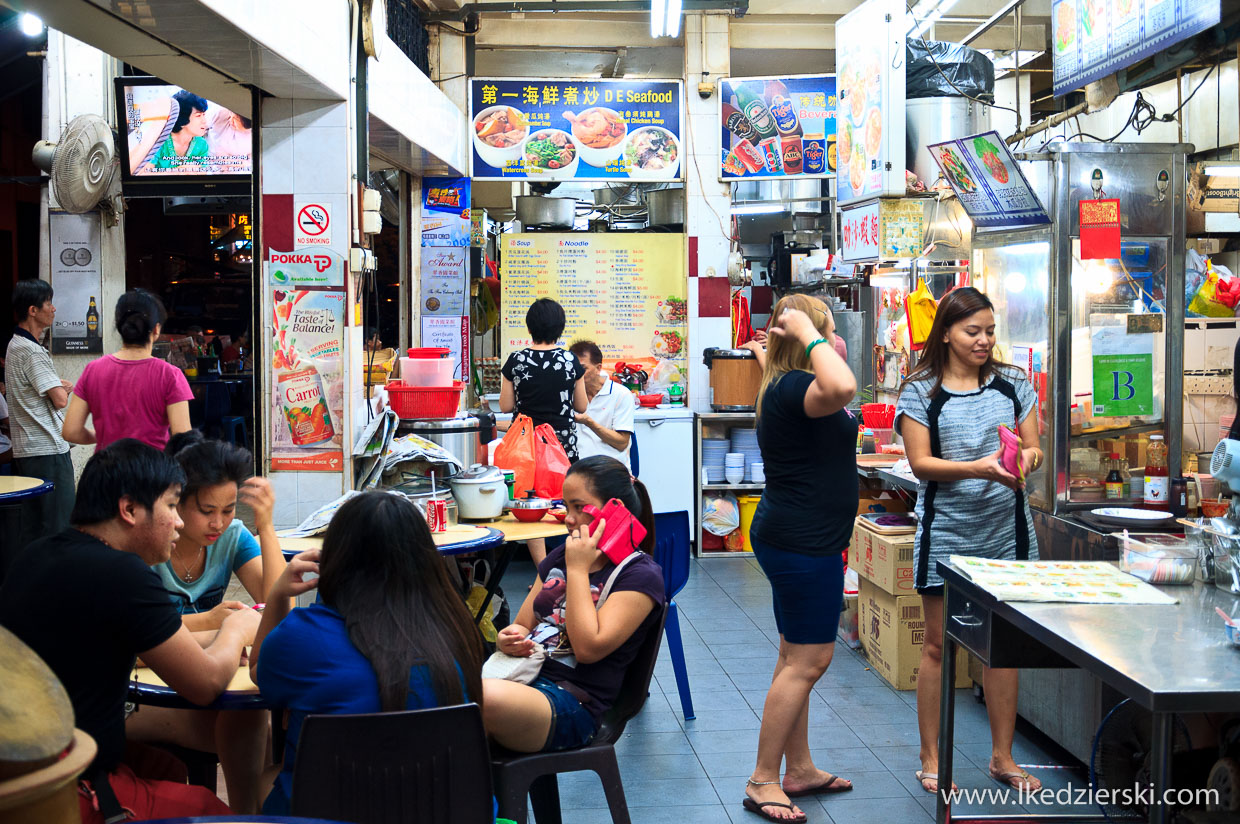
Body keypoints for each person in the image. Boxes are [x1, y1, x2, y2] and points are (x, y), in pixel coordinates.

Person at [0, 439, 262, 823]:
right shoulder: (123, 575)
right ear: (129, 509)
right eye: (172, 506)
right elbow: (204, 684)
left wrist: (215, 633)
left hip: (25, 760)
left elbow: (132, 640)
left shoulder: (39, 553)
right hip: (62, 782)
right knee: (211, 810)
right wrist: (236, 629)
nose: (178, 521)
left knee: (168, 768)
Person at [251, 491, 485, 815]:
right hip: (441, 811)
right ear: (427, 560)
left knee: (265, 779)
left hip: (329, 813)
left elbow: (258, 671)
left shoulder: (301, 637)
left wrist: (277, 595)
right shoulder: (456, 631)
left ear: (335, 557)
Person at [894, 286, 1042, 795]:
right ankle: (931, 756)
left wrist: (1024, 461)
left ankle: (1002, 757)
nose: (984, 341)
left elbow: (1035, 447)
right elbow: (921, 464)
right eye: (972, 332)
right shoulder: (920, 389)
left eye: (990, 331)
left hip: (1008, 530)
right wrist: (979, 468)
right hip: (947, 532)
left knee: (1002, 649)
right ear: (947, 334)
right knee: (938, 647)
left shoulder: (1013, 383)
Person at [124, 431, 285, 814]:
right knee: (253, 727)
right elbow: (132, 644)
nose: (218, 522)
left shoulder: (231, 536)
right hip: (134, 697)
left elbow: (279, 604)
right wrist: (216, 626)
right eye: (206, 509)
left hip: (195, 679)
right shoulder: (149, 540)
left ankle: (245, 817)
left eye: (229, 510)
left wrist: (265, 526)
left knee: (251, 719)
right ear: (176, 501)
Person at [741, 295, 858, 823]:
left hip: (795, 535)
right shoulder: (799, 389)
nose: (832, 341)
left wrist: (783, 344)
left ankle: (801, 768)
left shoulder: (782, 385)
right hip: (802, 542)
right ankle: (763, 779)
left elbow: (821, 383)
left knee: (794, 659)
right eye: (826, 331)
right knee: (809, 662)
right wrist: (810, 334)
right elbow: (843, 386)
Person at [482, 456, 664, 753]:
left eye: (579, 507)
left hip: (574, 703)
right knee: (445, 692)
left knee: (479, 699)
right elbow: (523, 623)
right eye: (566, 506)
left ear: (615, 510)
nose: (568, 518)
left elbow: (588, 649)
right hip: (525, 676)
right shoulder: (558, 558)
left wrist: (578, 570)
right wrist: (509, 638)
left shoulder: (639, 576)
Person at [500, 298, 588, 565]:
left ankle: (543, 570)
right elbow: (581, 406)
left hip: (525, 445)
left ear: (530, 328)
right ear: (560, 329)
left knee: (531, 503)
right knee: (567, 503)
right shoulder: (570, 360)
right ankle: (571, 565)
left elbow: (505, 406)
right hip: (561, 445)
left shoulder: (516, 360)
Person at [63, 289, 193, 452]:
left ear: (119, 326)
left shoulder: (93, 370)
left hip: (106, 472)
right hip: (154, 472)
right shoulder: (170, 375)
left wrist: (106, 435)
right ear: (156, 329)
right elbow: (183, 440)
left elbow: (70, 431)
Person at [5, 278, 75, 549]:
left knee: (36, 528)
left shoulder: (14, 346)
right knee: (58, 527)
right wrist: (65, 387)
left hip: (28, 450)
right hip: (47, 449)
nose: (54, 309)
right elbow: (58, 399)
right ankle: (55, 587)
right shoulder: (31, 350)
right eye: (49, 303)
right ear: (33, 310)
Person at [570, 339, 634, 471]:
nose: (575, 373)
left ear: (598, 368)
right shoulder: (567, 393)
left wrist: (589, 422)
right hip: (576, 469)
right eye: (572, 368)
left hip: (609, 470)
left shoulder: (620, 394)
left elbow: (622, 443)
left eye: (582, 369)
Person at [150, 89, 210, 171]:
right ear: (182, 119)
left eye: (204, 114)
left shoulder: (202, 144)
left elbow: (203, 173)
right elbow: (144, 173)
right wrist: (178, 172)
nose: (204, 121)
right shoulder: (159, 141)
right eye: (198, 116)